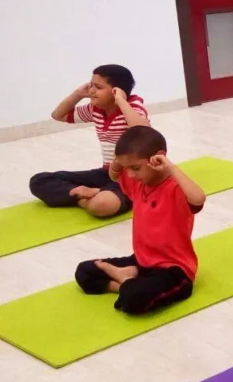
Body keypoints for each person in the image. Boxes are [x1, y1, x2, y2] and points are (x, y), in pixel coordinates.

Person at [74, 126, 205, 314]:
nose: (131, 175)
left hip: (173, 270)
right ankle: (126, 280)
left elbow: (198, 198)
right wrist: (119, 162)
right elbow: (114, 174)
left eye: (135, 168)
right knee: (85, 271)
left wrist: (170, 166)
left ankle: (127, 282)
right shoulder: (138, 183)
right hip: (141, 261)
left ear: (158, 158)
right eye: (128, 168)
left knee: (134, 299)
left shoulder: (175, 189)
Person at [29, 65, 150, 218]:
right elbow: (58, 115)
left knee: (102, 205)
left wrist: (120, 100)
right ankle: (86, 197)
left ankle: (95, 196)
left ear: (116, 91)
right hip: (107, 173)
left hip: (133, 178)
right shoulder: (96, 109)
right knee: (39, 181)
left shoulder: (132, 106)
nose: (91, 90)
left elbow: (142, 130)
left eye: (98, 87)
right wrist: (78, 94)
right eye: (91, 85)